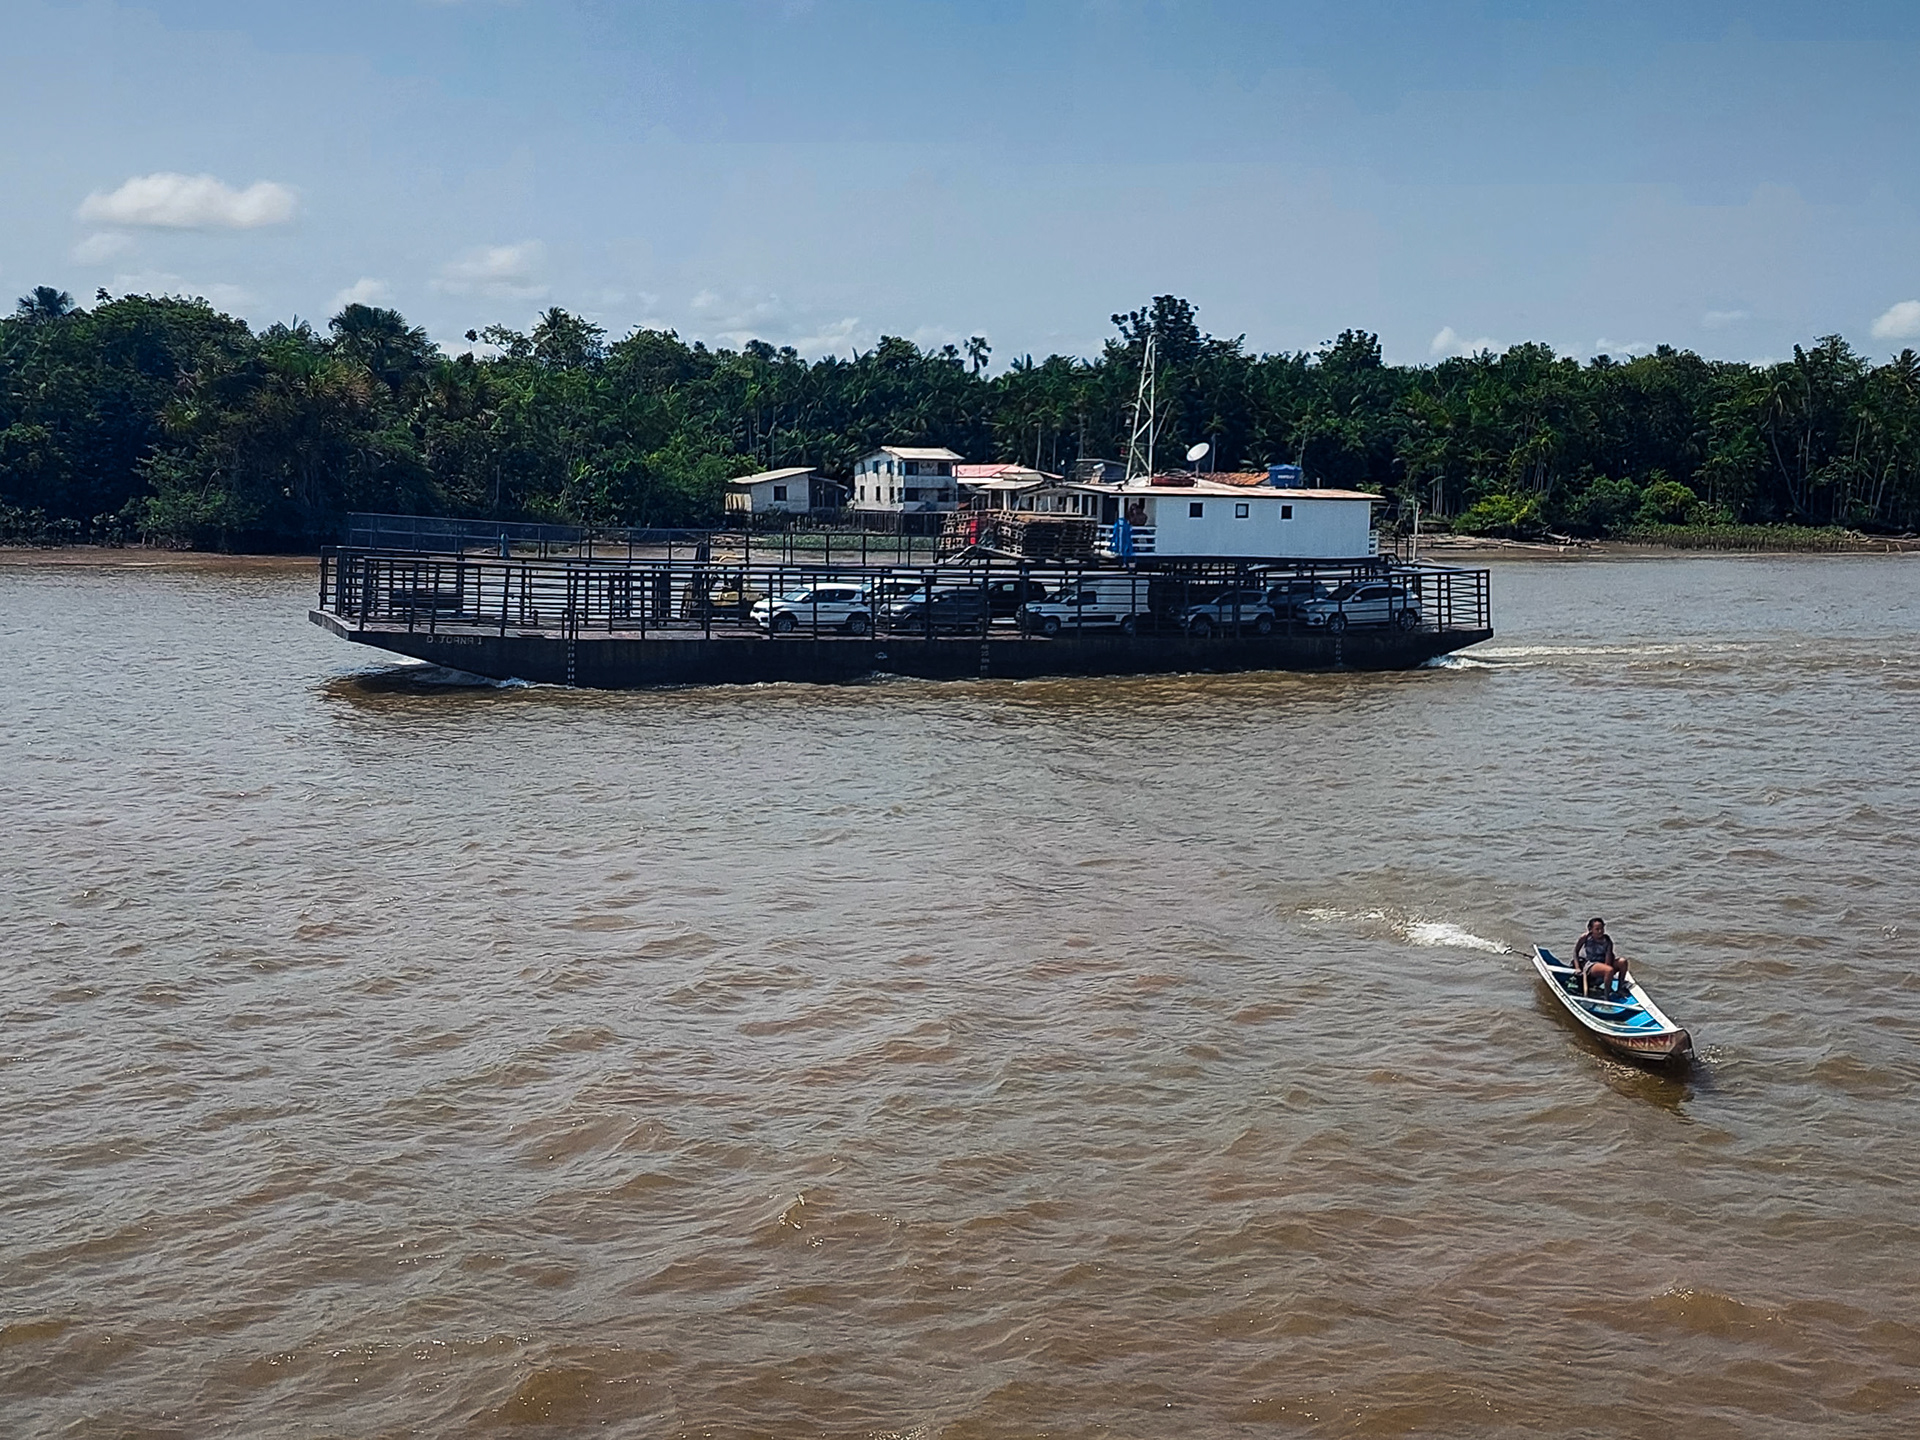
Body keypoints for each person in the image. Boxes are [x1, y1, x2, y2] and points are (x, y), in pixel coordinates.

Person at [1573, 917, 1630, 999]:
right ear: (1590, 929)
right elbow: (1575, 952)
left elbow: (1608, 959)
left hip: (1603, 963)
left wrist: (1607, 972)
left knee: (1622, 962)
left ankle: (1620, 988)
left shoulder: (1607, 940)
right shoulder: (1585, 937)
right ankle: (1606, 996)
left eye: (1602, 928)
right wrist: (1577, 967)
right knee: (1608, 970)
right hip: (1590, 964)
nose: (1600, 931)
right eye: (1597, 929)